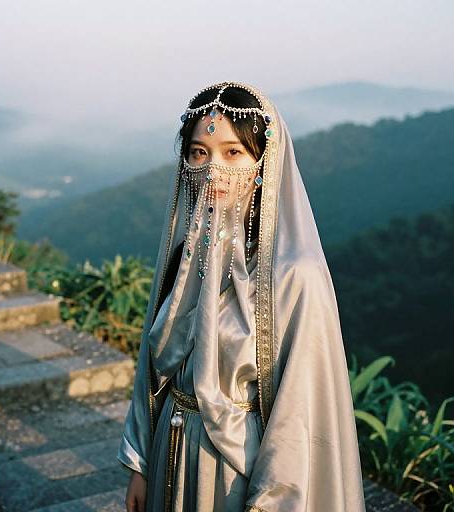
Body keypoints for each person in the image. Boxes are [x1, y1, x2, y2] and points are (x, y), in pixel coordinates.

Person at [117, 81, 366, 512]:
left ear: (263, 163)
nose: (213, 170)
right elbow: (153, 370)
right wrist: (140, 463)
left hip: (233, 474)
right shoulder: (186, 260)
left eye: (233, 153)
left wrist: (271, 500)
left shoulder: (293, 275)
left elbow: (299, 409)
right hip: (168, 453)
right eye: (199, 153)